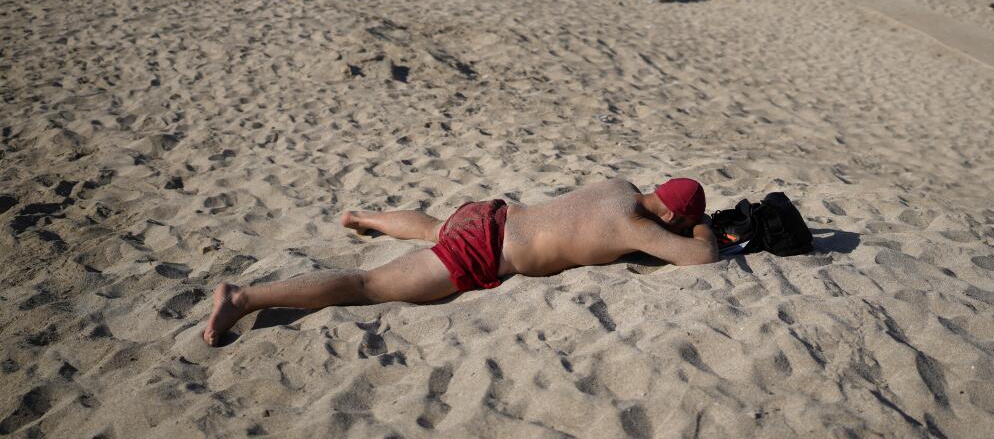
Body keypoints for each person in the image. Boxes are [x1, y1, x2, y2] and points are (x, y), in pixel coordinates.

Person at [203, 177, 717, 346]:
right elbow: (700, 257)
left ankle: (364, 217)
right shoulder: (636, 228)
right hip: (485, 252)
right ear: (670, 212)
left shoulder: (620, 188)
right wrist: (701, 225)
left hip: (487, 214)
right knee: (365, 285)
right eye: (679, 217)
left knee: (433, 228)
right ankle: (243, 297)